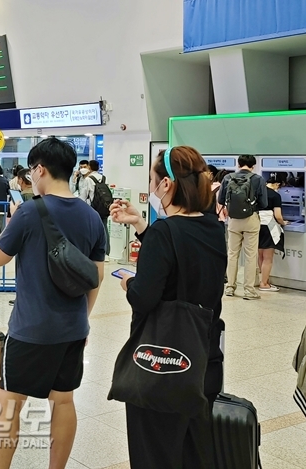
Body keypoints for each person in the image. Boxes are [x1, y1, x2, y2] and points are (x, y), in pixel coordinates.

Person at [0, 137, 106, 469]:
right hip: (72, 329)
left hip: (30, 330)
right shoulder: (92, 217)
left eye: (31, 170)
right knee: (63, 401)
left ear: (40, 169)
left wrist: (12, 222)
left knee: (8, 403)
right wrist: (82, 318)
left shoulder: (28, 211)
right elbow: (94, 277)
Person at [110, 146, 226, 468]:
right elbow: (185, 265)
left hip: (163, 365)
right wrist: (142, 227)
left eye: (152, 179)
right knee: (192, 454)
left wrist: (129, 284)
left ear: (167, 185)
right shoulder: (213, 227)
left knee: (155, 455)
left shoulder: (165, 232)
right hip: (203, 360)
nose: (150, 186)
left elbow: (144, 298)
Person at [219, 155, 268, 300]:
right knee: (250, 255)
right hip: (251, 219)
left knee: (233, 254)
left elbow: (221, 199)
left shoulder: (228, 178)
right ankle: (248, 290)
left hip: (233, 219)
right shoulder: (258, 179)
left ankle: (229, 288)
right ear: (253, 165)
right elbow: (264, 203)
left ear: (238, 164)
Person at [257, 176, 287, 292]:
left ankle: (264, 280)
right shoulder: (275, 195)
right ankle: (264, 284)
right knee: (268, 257)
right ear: (277, 184)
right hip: (269, 227)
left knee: (260, 255)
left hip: (256, 225)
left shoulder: (258, 192)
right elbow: (278, 216)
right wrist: (283, 222)